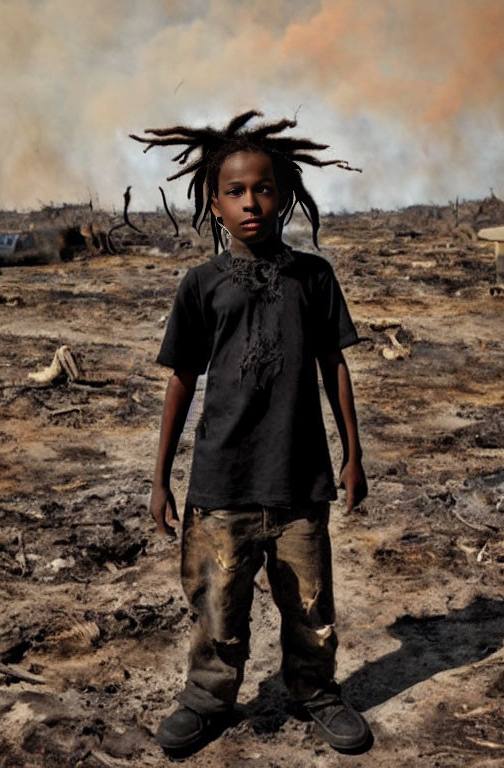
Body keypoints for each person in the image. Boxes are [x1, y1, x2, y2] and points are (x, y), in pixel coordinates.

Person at [130, 111, 371, 755]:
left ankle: (316, 692)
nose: (250, 203)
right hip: (223, 483)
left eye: (263, 189)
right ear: (213, 203)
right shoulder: (201, 285)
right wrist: (159, 479)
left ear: (285, 194)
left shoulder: (313, 277)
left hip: (299, 481)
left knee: (311, 607)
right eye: (234, 192)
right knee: (217, 605)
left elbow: (334, 367)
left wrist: (353, 457)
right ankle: (207, 698)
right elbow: (181, 381)